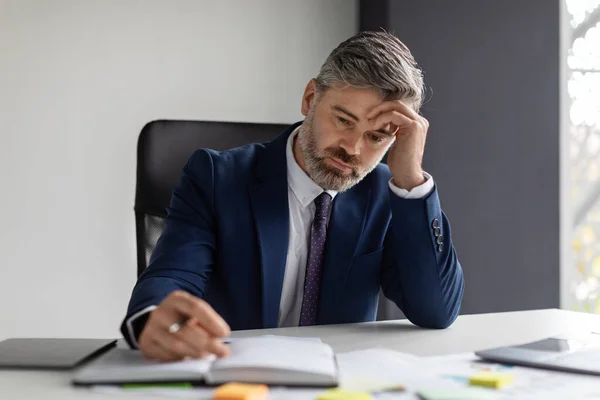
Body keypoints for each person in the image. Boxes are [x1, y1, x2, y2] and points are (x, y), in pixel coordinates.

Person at [120, 31, 464, 361]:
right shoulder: (215, 177)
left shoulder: (386, 194)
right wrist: (153, 318)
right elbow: (173, 275)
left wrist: (411, 181)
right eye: (344, 120)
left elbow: (436, 310)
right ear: (310, 98)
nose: (352, 149)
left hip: (337, 383)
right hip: (235, 374)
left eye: (376, 137)